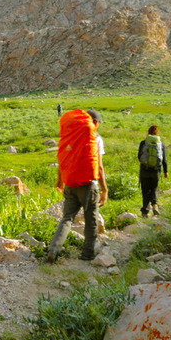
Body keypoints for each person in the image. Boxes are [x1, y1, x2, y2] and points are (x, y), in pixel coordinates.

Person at [47, 109, 108, 263]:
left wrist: (60, 179)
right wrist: (105, 189)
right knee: (91, 219)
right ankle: (87, 254)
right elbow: (99, 166)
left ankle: (53, 250)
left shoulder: (70, 136)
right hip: (88, 184)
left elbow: (63, 158)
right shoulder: (95, 138)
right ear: (95, 122)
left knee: (67, 218)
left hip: (70, 183)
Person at [138, 125, 168, 217]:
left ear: (148, 133)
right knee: (154, 188)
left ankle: (145, 212)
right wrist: (165, 171)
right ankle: (155, 205)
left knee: (145, 190)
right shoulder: (161, 144)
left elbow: (139, 157)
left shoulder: (143, 143)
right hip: (156, 170)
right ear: (157, 133)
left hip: (144, 170)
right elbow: (164, 160)